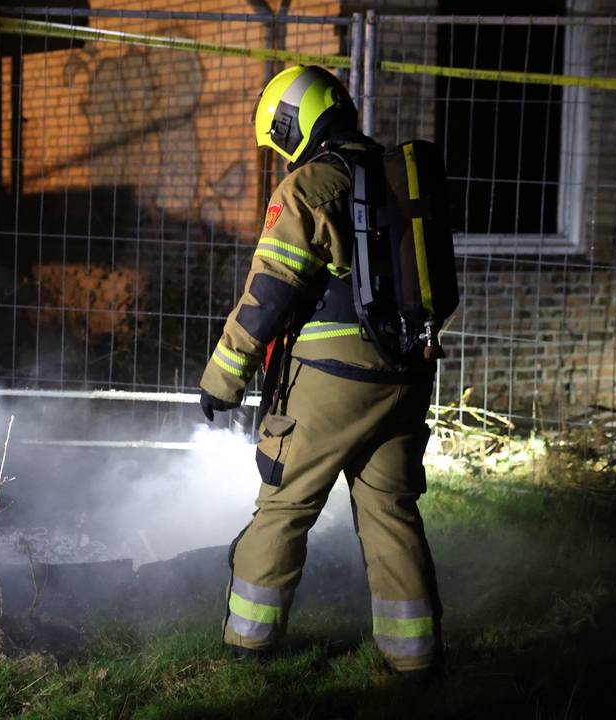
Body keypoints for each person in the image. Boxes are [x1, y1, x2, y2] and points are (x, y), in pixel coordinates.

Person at [198, 65, 443, 675]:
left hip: (333, 380)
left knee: (285, 507)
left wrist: (223, 379)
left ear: (292, 121)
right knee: (391, 510)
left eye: (278, 139)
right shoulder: (395, 178)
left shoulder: (310, 186)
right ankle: (415, 661)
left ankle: (247, 649)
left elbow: (268, 297)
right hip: (407, 372)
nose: (281, 154)